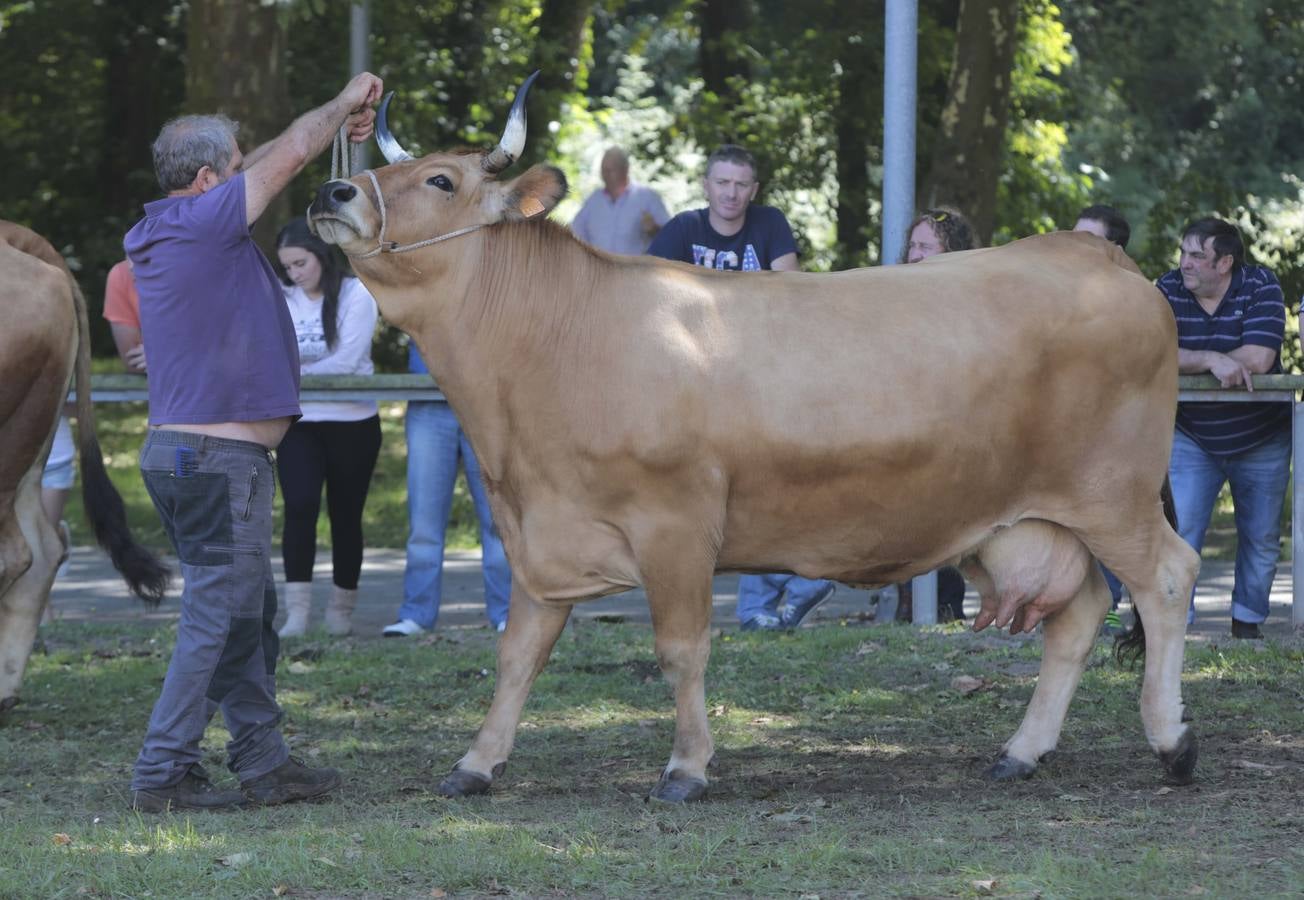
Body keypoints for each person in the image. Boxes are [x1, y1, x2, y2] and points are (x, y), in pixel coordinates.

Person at [123, 71, 383, 813]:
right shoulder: (205, 222)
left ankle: (264, 762)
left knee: (245, 612)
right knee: (216, 615)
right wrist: (342, 104)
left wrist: (311, 133)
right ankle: (161, 772)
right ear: (207, 181)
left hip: (191, 457)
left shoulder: (174, 223)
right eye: (236, 170)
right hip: (217, 462)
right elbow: (291, 153)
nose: (251, 180)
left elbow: (268, 155)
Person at [649, 144, 832, 630]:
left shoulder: (769, 224)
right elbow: (650, 303)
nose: (731, 193)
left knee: (777, 476)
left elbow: (791, 294)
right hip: (698, 384)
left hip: (765, 380)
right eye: (722, 183)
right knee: (716, 488)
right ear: (707, 186)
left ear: (754, 190)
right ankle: (749, 607)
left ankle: (804, 579)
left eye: (740, 185)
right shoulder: (683, 230)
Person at [1157, 217, 1290, 640]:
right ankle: (1175, 626)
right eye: (1183, 252)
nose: (1185, 263)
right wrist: (1212, 359)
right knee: (1181, 531)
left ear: (1225, 262)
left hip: (1262, 435)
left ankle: (1247, 626)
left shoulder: (1261, 286)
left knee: (1262, 535)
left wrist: (1189, 356)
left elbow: (1259, 358)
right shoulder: (1166, 289)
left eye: (1197, 255)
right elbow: (1150, 349)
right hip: (1191, 434)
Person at [273, 219, 382, 638]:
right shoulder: (282, 299)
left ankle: (340, 611)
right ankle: (297, 614)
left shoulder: (357, 294)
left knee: (346, 516)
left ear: (320, 256)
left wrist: (292, 372)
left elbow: (349, 363)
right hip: (299, 423)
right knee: (299, 508)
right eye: (287, 268)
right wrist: (295, 373)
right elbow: (270, 355)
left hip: (353, 423)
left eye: (300, 263)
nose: (294, 274)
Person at [381, 345, 512, 636]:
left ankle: (507, 614)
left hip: (485, 405)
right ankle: (416, 614)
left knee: (497, 520)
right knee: (424, 523)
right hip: (428, 401)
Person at [896, 207, 975, 623]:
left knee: (944, 524)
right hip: (901, 429)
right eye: (913, 245)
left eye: (927, 246)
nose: (916, 254)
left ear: (952, 250)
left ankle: (945, 606)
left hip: (948, 431)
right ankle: (906, 603)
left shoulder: (968, 300)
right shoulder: (894, 297)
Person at [1072, 205, 1132, 635]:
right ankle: (1069, 608)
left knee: (1109, 524)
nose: (1073, 248)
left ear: (1114, 250)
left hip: (1112, 436)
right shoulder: (1049, 292)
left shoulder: (1132, 299)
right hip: (1065, 436)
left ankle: (1107, 607)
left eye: (1087, 240)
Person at [571, 147, 670, 255]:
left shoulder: (647, 197)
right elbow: (575, 232)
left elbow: (670, 234)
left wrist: (654, 229)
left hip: (636, 269)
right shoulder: (593, 200)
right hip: (599, 270)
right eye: (603, 170)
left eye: (610, 170)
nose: (605, 175)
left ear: (625, 169)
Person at [103, 259, 147, 373]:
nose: (132, 266)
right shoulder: (122, 274)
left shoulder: (194, 268)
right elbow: (134, 362)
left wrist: (165, 356)